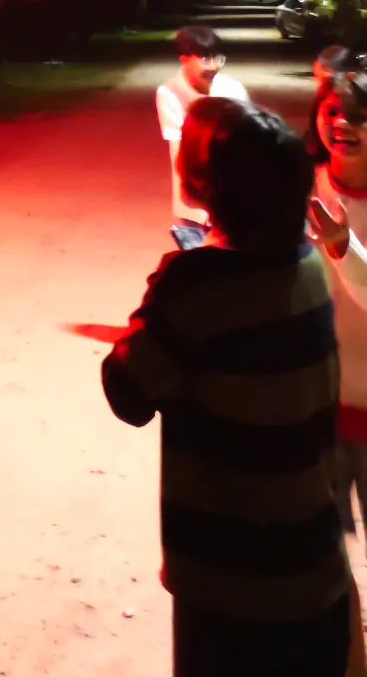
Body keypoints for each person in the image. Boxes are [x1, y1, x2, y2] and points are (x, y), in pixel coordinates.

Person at [103, 99, 353, 676]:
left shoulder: (192, 284)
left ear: (204, 184)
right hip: (314, 568)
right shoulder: (309, 264)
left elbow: (127, 393)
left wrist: (159, 299)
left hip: (231, 586)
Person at [305, 64, 367, 541]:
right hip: (314, 408)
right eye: (333, 111)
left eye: (360, 115)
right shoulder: (297, 188)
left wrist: (345, 248)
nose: (342, 123)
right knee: (322, 548)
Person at [155, 25, 250, 233]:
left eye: (218, 58)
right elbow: (179, 151)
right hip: (194, 198)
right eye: (205, 59)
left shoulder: (233, 90)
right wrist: (198, 206)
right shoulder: (169, 92)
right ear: (184, 59)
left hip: (234, 194)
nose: (213, 66)